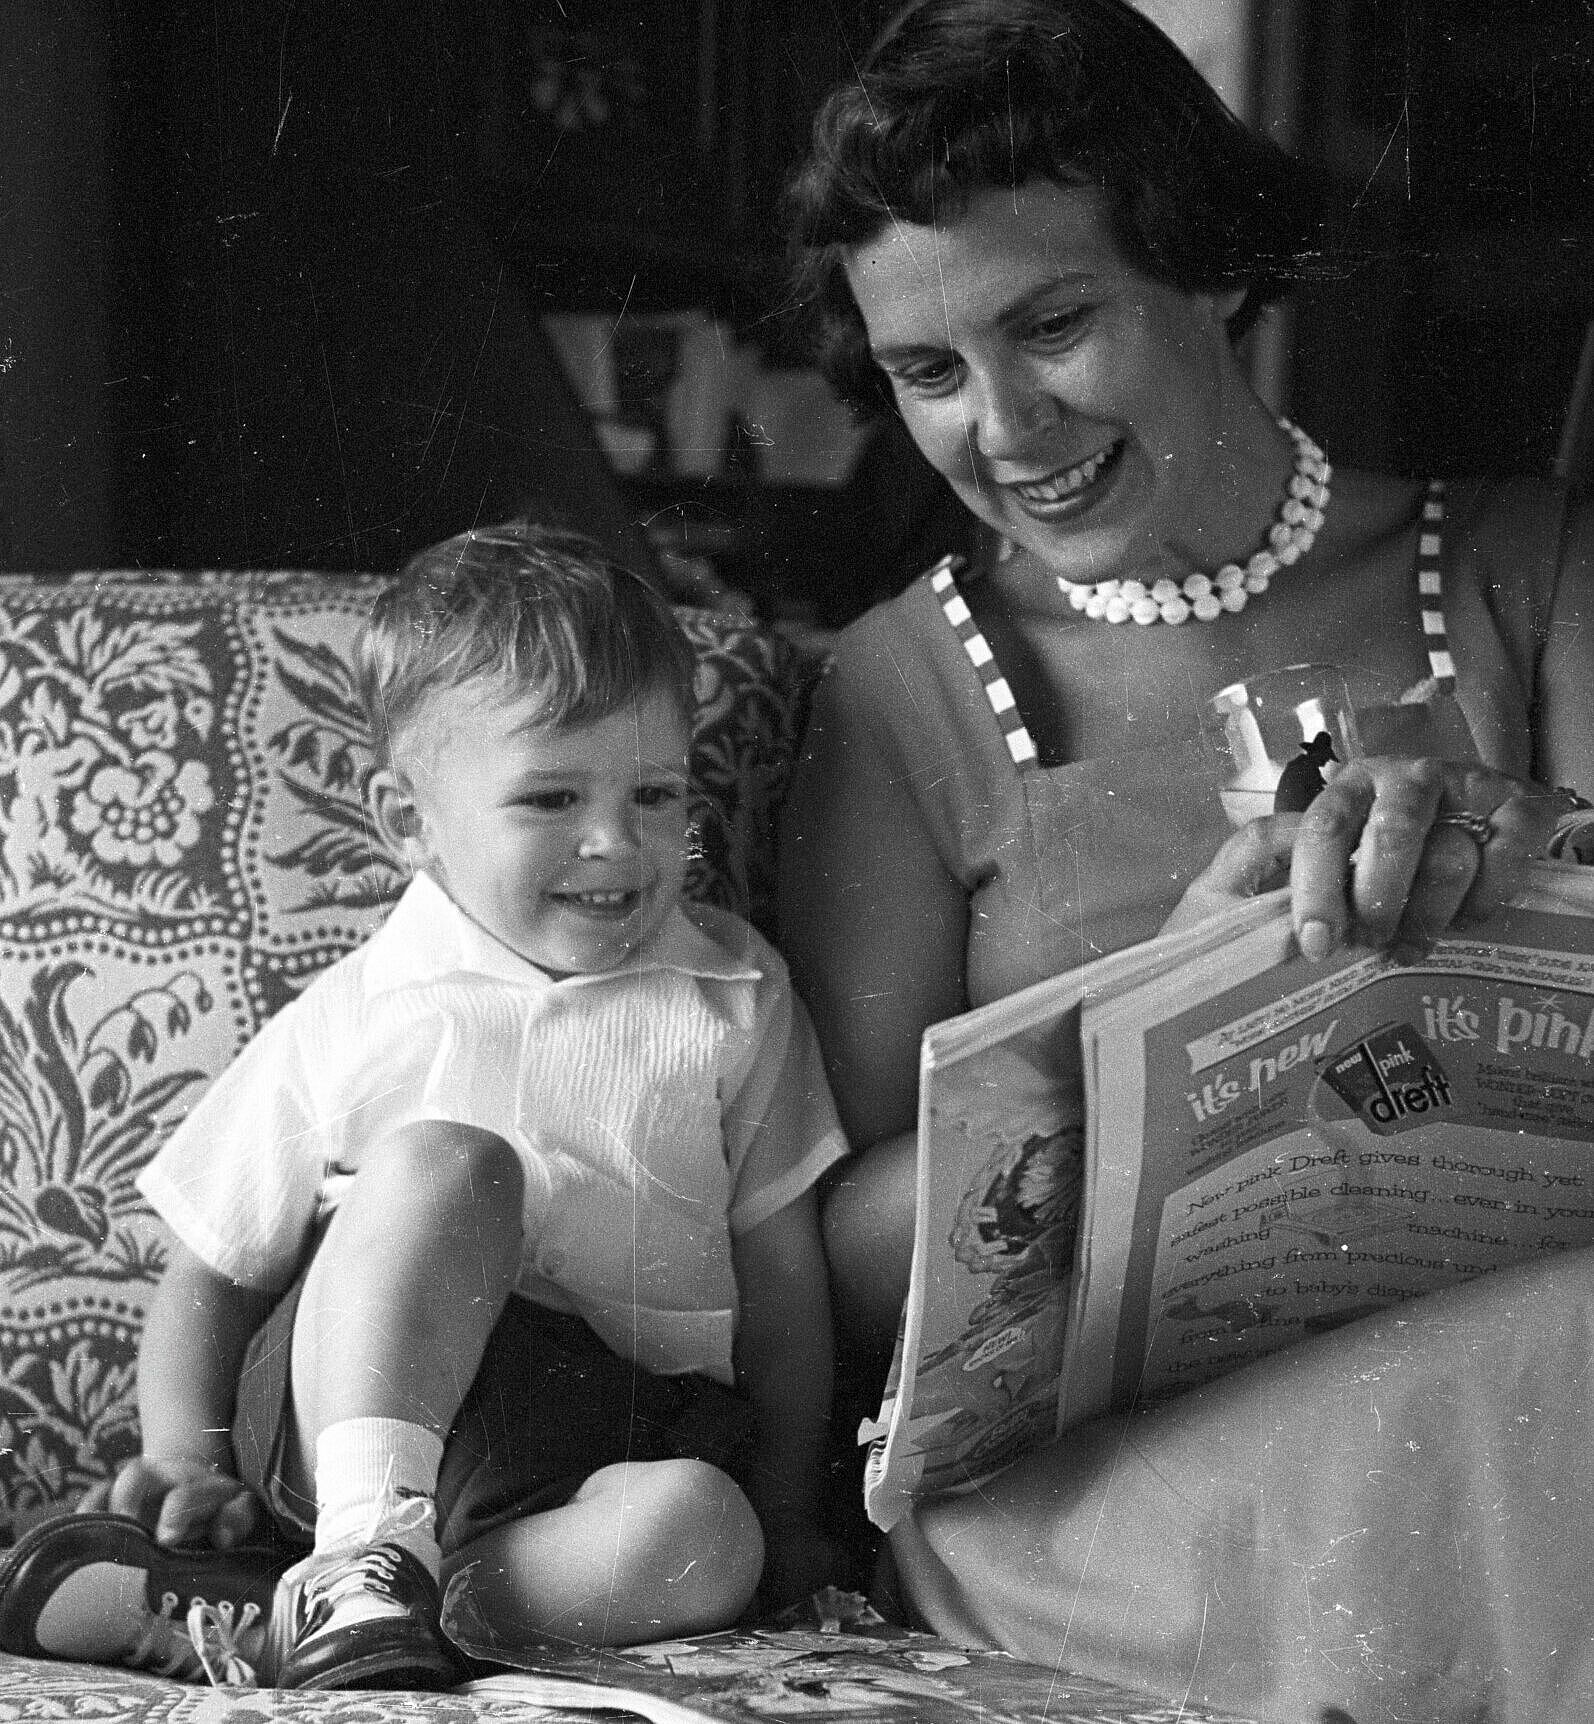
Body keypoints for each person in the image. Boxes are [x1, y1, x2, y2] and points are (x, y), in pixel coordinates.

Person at [777, 2, 1594, 1718]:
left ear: (1208, 266)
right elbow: (838, 1246)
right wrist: (1157, 1000)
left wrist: (1538, 869)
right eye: (928, 372)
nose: (1003, 425)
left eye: (1051, 323)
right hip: (1119, 1492)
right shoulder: (896, 688)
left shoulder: (1528, 567)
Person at [0, 523, 846, 1689]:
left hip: (605, 1441)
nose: (616, 840)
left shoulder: (735, 994)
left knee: (707, 1532)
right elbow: (213, 1266)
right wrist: (184, 1457)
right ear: (409, 821)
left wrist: (789, 1505)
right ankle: (361, 1549)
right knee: (454, 1163)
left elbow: (784, 1280)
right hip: (348, 1412)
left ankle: (300, 1616)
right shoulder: (362, 1007)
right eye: (551, 795)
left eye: (655, 793)